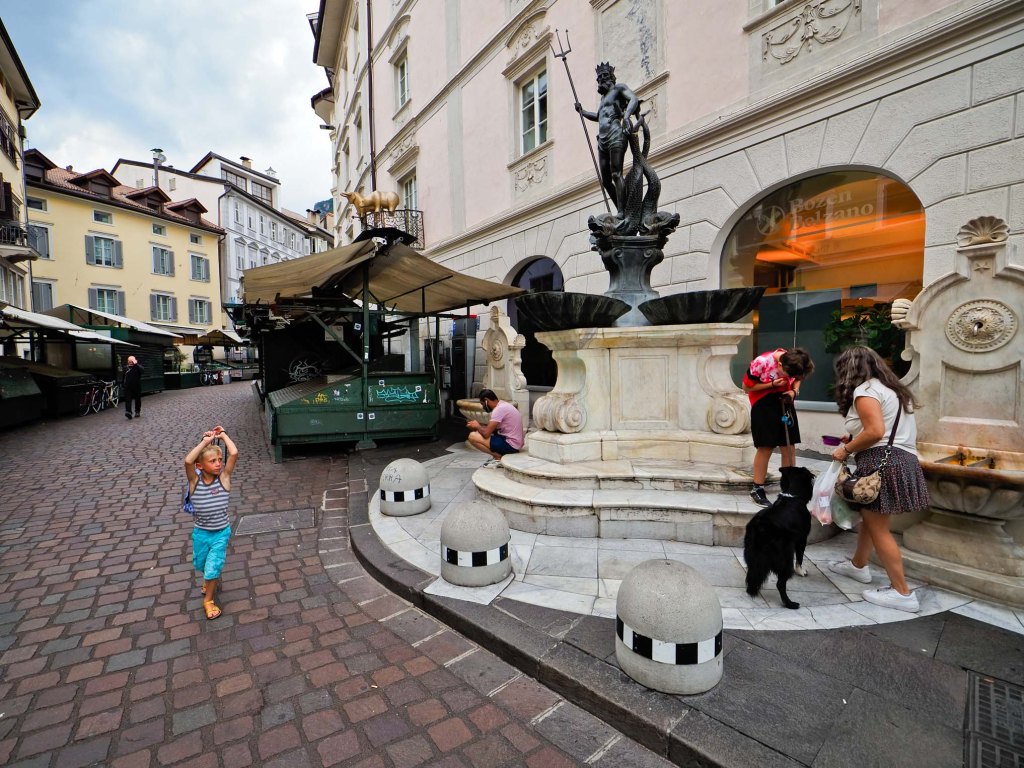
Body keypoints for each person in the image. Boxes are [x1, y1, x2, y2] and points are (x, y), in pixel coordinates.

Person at [828, 346, 929, 613]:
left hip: (880, 462)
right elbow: (881, 431)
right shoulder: (893, 392)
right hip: (901, 460)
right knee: (872, 520)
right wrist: (854, 439)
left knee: (879, 528)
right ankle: (858, 566)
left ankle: (902, 592)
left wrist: (846, 449)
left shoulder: (866, 391)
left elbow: (875, 432)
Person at [743, 347, 814, 507]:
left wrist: (794, 391)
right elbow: (747, 387)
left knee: (789, 446)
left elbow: (797, 378)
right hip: (764, 404)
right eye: (789, 374)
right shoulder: (761, 363)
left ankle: (788, 486)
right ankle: (757, 488)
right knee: (765, 447)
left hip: (785, 403)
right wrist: (773, 384)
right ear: (780, 365)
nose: (790, 377)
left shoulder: (795, 361)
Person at [184, 426, 239, 620]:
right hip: (201, 533)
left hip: (221, 533)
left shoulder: (224, 479)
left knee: (213, 565)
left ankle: (208, 600)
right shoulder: (194, 482)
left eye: (219, 460)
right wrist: (206, 442)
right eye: (212, 461)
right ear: (201, 466)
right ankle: (209, 580)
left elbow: (234, 452)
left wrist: (222, 435)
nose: (218, 464)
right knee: (200, 563)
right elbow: (188, 460)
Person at [575, 62, 640, 212]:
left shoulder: (619, 89)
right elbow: (598, 116)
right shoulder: (603, 99)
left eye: (604, 77)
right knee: (605, 180)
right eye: (598, 78)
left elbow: (634, 99)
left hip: (615, 133)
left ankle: (622, 213)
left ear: (611, 77)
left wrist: (627, 117)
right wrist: (582, 111)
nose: (601, 80)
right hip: (602, 138)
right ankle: (622, 210)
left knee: (616, 173)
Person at [466, 389, 525, 463]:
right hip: (515, 443)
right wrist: (478, 427)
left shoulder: (498, 410)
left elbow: (486, 434)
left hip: (511, 445)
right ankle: (498, 455)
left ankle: (497, 456)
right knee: (479, 433)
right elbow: (492, 430)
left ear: (486, 401)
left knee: (472, 436)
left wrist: (477, 426)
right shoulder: (503, 405)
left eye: (482, 404)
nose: (483, 407)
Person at [122, 355, 144, 419]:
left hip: (136, 386)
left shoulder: (138, 367)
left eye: (131, 361)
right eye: (129, 361)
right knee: (128, 399)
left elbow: (142, 371)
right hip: (127, 387)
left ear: (134, 360)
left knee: (137, 399)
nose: (130, 362)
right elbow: (124, 377)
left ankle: (137, 411)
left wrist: (136, 364)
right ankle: (128, 412)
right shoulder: (126, 368)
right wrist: (123, 384)